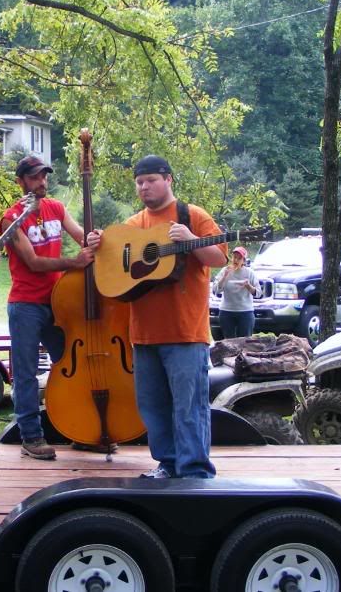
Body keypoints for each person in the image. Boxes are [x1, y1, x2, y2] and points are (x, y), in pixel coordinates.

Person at [87, 155, 227, 479]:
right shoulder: (134, 225)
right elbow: (111, 261)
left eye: (151, 180)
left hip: (185, 333)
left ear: (168, 180)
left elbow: (219, 256)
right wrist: (98, 243)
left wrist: (190, 240)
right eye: (139, 182)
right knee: (153, 408)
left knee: (189, 408)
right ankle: (167, 463)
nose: (144, 186)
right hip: (144, 334)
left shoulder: (192, 215)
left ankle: (194, 471)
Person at [0, 155, 93, 460]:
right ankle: (31, 436)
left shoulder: (56, 207)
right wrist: (73, 262)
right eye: (35, 177)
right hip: (25, 304)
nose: (41, 182)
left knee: (69, 368)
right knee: (25, 374)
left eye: (44, 177)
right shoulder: (9, 218)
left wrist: (96, 238)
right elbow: (34, 262)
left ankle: (81, 432)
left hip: (57, 303)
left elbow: (82, 236)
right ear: (21, 181)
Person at [215, 246, 258, 338]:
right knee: (228, 342)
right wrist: (224, 277)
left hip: (245, 311)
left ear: (244, 261)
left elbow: (258, 293)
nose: (236, 260)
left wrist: (248, 286)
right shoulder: (225, 271)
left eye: (239, 258)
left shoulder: (249, 273)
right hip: (226, 310)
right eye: (234, 257)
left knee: (245, 341)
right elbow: (216, 290)